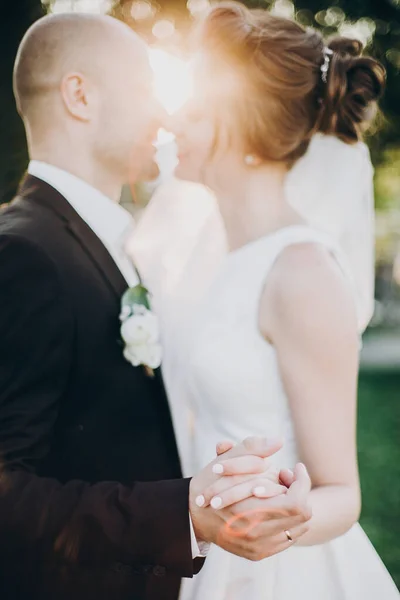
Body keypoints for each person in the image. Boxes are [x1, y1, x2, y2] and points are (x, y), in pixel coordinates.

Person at [0, 12, 313, 600]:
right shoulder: (23, 254)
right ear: (79, 95)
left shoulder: (110, 243)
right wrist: (183, 512)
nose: (166, 115)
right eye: (146, 87)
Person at [131, 3, 400, 598]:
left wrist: (280, 521)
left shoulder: (301, 273)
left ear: (247, 131)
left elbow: (342, 494)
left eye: (197, 109)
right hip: (203, 554)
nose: (174, 120)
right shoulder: (215, 259)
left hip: (276, 572)